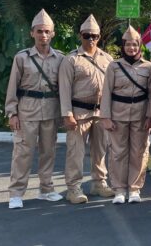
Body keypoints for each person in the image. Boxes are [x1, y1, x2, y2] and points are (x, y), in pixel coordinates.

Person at [6, 9, 64, 209]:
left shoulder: (60, 59)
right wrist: (12, 113)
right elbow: (13, 86)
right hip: (27, 111)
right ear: (32, 33)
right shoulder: (22, 58)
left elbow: (64, 88)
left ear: (53, 33)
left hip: (50, 111)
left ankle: (46, 189)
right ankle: (16, 193)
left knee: (48, 152)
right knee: (23, 152)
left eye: (47, 31)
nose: (43, 35)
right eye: (39, 31)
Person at [59, 14, 114, 204]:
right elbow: (64, 89)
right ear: (80, 35)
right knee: (76, 152)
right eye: (87, 35)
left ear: (99, 37)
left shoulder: (107, 59)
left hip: (100, 113)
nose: (91, 39)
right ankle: (73, 188)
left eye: (94, 36)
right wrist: (67, 114)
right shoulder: (71, 60)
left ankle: (99, 183)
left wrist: (110, 113)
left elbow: (111, 88)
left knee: (100, 151)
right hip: (79, 113)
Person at [100, 25, 151, 204]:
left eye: (135, 45)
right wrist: (106, 117)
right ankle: (119, 189)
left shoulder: (149, 67)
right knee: (118, 152)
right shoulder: (114, 66)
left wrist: (150, 116)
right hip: (118, 114)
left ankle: (134, 189)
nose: (131, 48)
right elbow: (106, 92)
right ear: (123, 46)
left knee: (139, 152)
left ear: (140, 46)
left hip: (140, 114)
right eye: (128, 45)